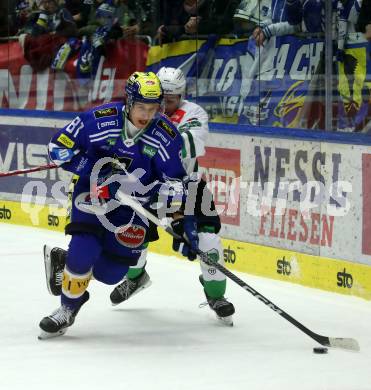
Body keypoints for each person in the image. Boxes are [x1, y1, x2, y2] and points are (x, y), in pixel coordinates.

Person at [44, 67, 236, 326]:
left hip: (138, 203)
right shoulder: (101, 119)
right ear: (129, 102)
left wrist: (180, 218)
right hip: (93, 194)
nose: (148, 115)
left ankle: (75, 267)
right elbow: (57, 148)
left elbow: (178, 181)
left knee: (110, 273)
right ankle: (67, 309)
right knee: (83, 248)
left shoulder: (169, 132)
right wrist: (93, 171)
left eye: (154, 107)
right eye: (142, 108)